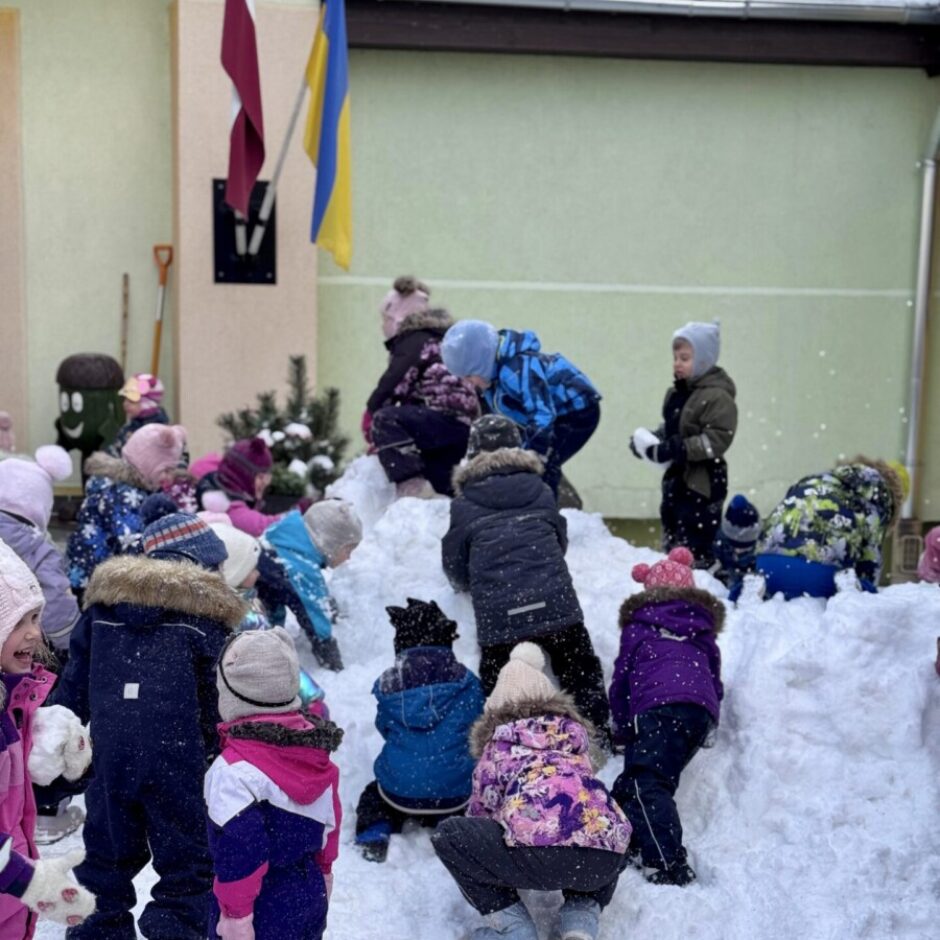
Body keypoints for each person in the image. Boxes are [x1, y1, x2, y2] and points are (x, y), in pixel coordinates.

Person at [54, 512, 245, 940]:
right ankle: (175, 932)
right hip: (181, 763)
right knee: (189, 870)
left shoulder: (101, 614)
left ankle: (97, 932)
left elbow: (72, 691)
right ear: (199, 567)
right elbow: (219, 702)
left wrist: (53, 739)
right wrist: (225, 754)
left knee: (105, 862)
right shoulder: (205, 623)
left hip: (111, 761)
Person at [431, 643, 630, 940]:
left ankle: (515, 929)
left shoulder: (498, 748)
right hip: (605, 862)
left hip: (540, 855)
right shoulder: (574, 743)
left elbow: (480, 815)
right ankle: (580, 919)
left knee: (452, 836)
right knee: (598, 823)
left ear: (495, 710)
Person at [443, 415, 612, 740]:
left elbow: (454, 562)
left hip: (500, 615)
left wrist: (465, 582)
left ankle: (503, 744)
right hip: (555, 605)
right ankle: (597, 735)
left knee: (499, 683)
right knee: (580, 670)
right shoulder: (542, 489)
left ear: (473, 454)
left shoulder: (463, 505)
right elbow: (559, 540)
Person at [205, 628, 343, 940]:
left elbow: (241, 852)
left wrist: (236, 919)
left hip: (259, 903)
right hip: (306, 890)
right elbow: (329, 830)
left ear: (230, 696)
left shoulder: (233, 771)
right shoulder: (316, 756)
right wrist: (322, 879)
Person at [609, 547, 723, 887]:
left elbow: (622, 681)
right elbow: (714, 675)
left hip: (657, 706)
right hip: (698, 710)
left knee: (648, 783)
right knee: (634, 781)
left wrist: (623, 726)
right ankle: (623, 841)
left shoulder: (640, 626)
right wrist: (709, 714)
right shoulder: (700, 627)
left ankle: (667, 863)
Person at [0, 539, 96, 934]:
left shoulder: (14, 699)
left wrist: (58, 768)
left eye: (36, 617)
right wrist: (26, 879)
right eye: (18, 622)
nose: (35, 634)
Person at [355, 599, 483, 863]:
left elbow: (385, 728)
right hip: (455, 792)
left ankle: (374, 832)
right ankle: (458, 831)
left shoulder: (390, 686)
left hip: (399, 790)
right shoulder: (466, 681)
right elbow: (478, 725)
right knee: (475, 797)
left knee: (373, 797)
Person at [441, 319, 601, 498]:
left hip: (577, 412)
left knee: (543, 466)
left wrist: (533, 454)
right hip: (546, 417)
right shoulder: (492, 381)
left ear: (481, 363)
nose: (468, 383)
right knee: (524, 464)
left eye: (469, 376)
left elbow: (542, 413)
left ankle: (544, 516)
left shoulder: (518, 369)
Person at [630, 320, 737, 567]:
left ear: (703, 361)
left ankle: (698, 580)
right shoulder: (677, 393)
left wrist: (679, 447)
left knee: (694, 540)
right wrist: (649, 443)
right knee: (672, 531)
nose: (677, 363)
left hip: (703, 483)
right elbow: (671, 431)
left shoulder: (717, 396)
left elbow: (717, 439)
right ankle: (673, 579)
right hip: (676, 479)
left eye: (685, 358)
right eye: (676, 357)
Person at [367, 302, 480, 498]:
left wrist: (374, 409)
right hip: (463, 429)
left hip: (438, 419)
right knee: (440, 486)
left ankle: (411, 486)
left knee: (386, 419)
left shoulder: (416, 339)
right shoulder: (449, 343)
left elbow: (396, 381)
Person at [755, 457, 906, 599]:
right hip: (816, 576)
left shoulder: (816, 481)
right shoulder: (877, 500)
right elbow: (869, 563)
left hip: (765, 568)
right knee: (862, 591)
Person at [66, 423, 187, 593]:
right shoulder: (120, 495)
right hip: (96, 583)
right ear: (145, 464)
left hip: (106, 579)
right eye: (165, 469)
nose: (169, 477)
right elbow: (130, 543)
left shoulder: (141, 489)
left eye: (172, 470)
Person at [262, 499, 362, 673]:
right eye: (348, 550)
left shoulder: (284, 540)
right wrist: (331, 658)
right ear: (330, 543)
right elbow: (314, 614)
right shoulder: (301, 568)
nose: (348, 558)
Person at [196, 437, 282, 537]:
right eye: (260, 477)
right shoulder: (227, 505)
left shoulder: (221, 484)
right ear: (243, 476)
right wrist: (298, 513)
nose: (265, 483)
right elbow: (263, 527)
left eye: (267, 477)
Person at [711, 494, 760, 601]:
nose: (739, 550)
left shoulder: (757, 545)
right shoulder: (720, 541)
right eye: (736, 546)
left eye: (744, 548)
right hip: (729, 570)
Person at [107, 374, 169, 457]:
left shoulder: (163, 434)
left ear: (148, 404)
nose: (125, 404)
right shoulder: (128, 429)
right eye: (125, 399)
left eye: (132, 401)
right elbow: (115, 450)